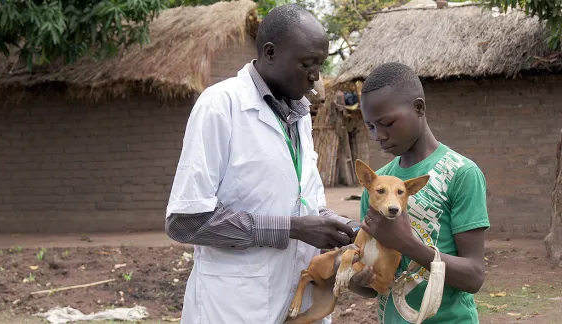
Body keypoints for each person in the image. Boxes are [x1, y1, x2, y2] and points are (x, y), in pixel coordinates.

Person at [164, 4, 374, 324]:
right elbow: (185, 220)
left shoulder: (300, 116)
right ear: (271, 52)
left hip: (299, 302)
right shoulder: (221, 106)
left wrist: (337, 226)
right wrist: (293, 228)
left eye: (320, 64)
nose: (316, 76)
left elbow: (308, 203)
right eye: (307, 63)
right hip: (235, 306)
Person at [356, 62, 490, 323]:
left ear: (419, 108)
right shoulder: (377, 186)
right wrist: (356, 278)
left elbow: (474, 277)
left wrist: (406, 243)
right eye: (370, 126)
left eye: (387, 123)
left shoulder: (461, 174)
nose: (378, 135)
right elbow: (373, 286)